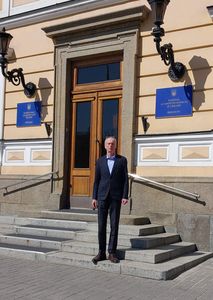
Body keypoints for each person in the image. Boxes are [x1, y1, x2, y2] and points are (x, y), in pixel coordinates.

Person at [91, 136, 129, 264]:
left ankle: (112, 252)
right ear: (105, 146)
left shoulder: (122, 160)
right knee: (101, 226)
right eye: (108, 143)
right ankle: (101, 252)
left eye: (113, 144)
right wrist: (94, 197)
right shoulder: (100, 161)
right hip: (101, 197)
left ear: (116, 146)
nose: (110, 146)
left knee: (114, 226)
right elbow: (96, 181)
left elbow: (125, 180)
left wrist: (125, 196)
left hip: (115, 197)